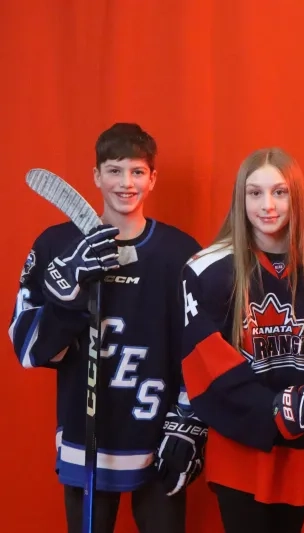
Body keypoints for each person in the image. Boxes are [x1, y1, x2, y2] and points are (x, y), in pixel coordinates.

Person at [8, 123, 203, 532]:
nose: (125, 182)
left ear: (153, 179)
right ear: (96, 176)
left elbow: (200, 350)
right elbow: (28, 351)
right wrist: (68, 292)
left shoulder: (181, 253)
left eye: (136, 171)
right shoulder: (55, 246)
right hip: (87, 441)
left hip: (159, 438)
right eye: (114, 170)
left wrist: (188, 422)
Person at [178, 147, 304, 533]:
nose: (267, 205)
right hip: (240, 450)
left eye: (280, 192)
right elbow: (203, 367)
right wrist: (282, 407)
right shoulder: (206, 270)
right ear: (241, 198)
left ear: (298, 197)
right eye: (255, 193)